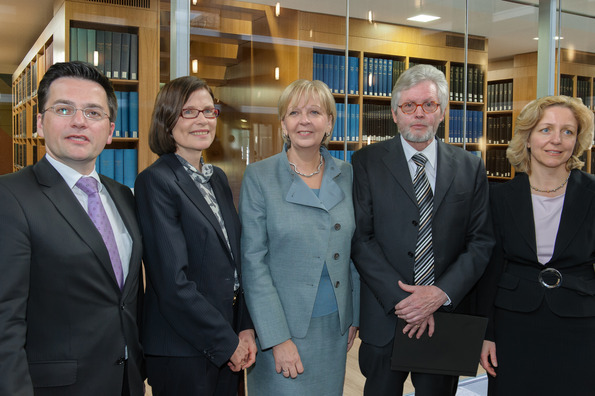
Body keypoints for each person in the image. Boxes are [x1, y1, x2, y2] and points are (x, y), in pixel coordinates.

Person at [0, 61, 144, 395]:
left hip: (127, 382)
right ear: (40, 122)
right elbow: (5, 322)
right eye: (64, 109)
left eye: (93, 113)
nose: (79, 121)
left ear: (109, 131)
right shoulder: (10, 197)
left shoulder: (122, 195)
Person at [351, 64, 494, 396]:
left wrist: (438, 295)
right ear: (395, 113)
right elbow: (361, 238)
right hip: (387, 317)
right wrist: (408, 302)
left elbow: (481, 241)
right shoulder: (366, 162)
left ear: (442, 112)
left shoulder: (469, 167)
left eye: (429, 105)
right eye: (409, 106)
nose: (419, 113)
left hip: (446, 318)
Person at [135, 76, 256, 396]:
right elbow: (172, 282)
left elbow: (235, 262)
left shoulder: (215, 177)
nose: (202, 119)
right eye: (189, 112)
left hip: (227, 340)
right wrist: (226, 342)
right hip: (183, 349)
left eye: (208, 111)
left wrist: (244, 328)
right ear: (167, 119)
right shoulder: (156, 182)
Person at [239, 79, 360, 395]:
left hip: (335, 326)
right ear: (283, 123)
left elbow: (355, 251)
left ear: (329, 122)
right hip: (282, 329)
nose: (304, 120)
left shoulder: (347, 174)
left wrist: (354, 316)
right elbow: (253, 264)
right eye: (294, 112)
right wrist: (277, 338)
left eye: (315, 112)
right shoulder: (260, 177)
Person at [478, 95, 595, 395]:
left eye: (568, 131)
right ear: (527, 138)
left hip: (581, 323)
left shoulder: (592, 193)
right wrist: (486, 334)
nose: (556, 140)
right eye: (546, 130)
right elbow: (490, 271)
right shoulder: (500, 197)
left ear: (577, 141)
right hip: (514, 326)